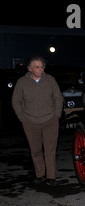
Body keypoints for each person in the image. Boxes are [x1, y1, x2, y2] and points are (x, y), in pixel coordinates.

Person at [12, 55, 64, 186]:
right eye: (37, 67)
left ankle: (51, 177)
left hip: (50, 120)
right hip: (30, 121)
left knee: (50, 149)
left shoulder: (50, 80)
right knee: (35, 150)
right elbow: (16, 101)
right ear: (30, 68)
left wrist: (57, 114)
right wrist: (22, 117)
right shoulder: (22, 82)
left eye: (42, 67)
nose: (41, 69)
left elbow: (58, 97)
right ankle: (40, 175)